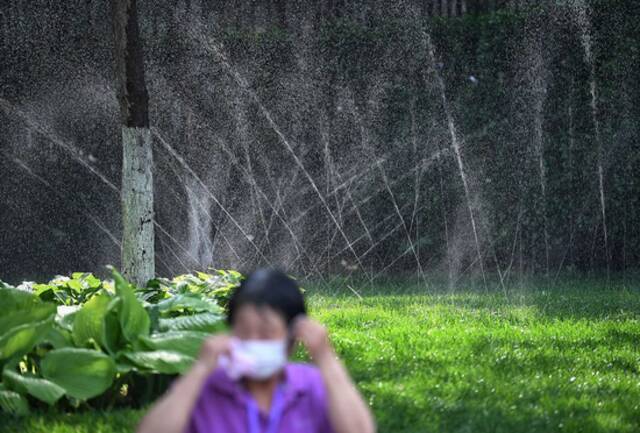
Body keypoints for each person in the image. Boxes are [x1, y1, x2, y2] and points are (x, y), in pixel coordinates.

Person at [137, 268, 375, 433]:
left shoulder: (312, 386)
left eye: (266, 332)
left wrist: (326, 360)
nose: (253, 340)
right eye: (243, 331)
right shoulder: (209, 387)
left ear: (291, 340)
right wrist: (199, 370)